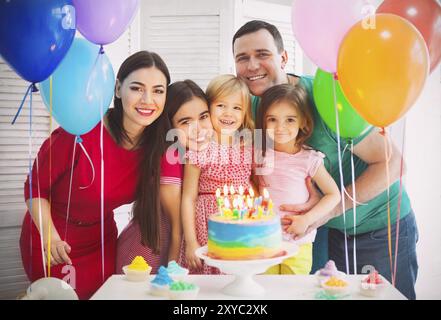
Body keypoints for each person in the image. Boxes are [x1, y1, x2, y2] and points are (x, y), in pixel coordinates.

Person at [232, 20, 419, 299]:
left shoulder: (327, 99)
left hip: (378, 228)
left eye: (262, 54)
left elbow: (393, 163)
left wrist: (323, 210)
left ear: (283, 57)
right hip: (320, 236)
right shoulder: (251, 108)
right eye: (242, 58)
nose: (252, 66)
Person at [20, 50, 171, 299]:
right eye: (137, 88)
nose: (148, 99)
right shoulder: (80, 130)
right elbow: (35, 187)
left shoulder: (157, 147)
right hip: (53, 240)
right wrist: (51, 238)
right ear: (117, 89)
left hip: (101, 242)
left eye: (158, 90)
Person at [116, 79, 213, 272]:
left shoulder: (195, 154)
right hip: (146, 252)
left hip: (166, 246)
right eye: (185, 122)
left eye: (203, 117)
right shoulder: (171, 157)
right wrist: (172, 271)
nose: (199, 128)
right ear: (170, 127)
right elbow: (177, 227)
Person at [254, 83, 340, 275]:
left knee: (293, 292)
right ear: (263, 122)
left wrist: (308, 219)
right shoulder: (257, 154)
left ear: (303, 122)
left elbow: (333, 195)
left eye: (290, 120)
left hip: (298, 243)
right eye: (272, 119)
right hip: (262, 243)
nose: (280, 127)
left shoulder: (309, 159)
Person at [180, 74, 254, 274]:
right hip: (208, 223)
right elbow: (188, 197)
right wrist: (191, 241)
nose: (228, 113)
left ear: (245, 113)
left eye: (237, 107)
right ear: (208, 107)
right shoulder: (199, 148)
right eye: (221, 105)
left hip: (241, 223)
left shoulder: (248, 147)